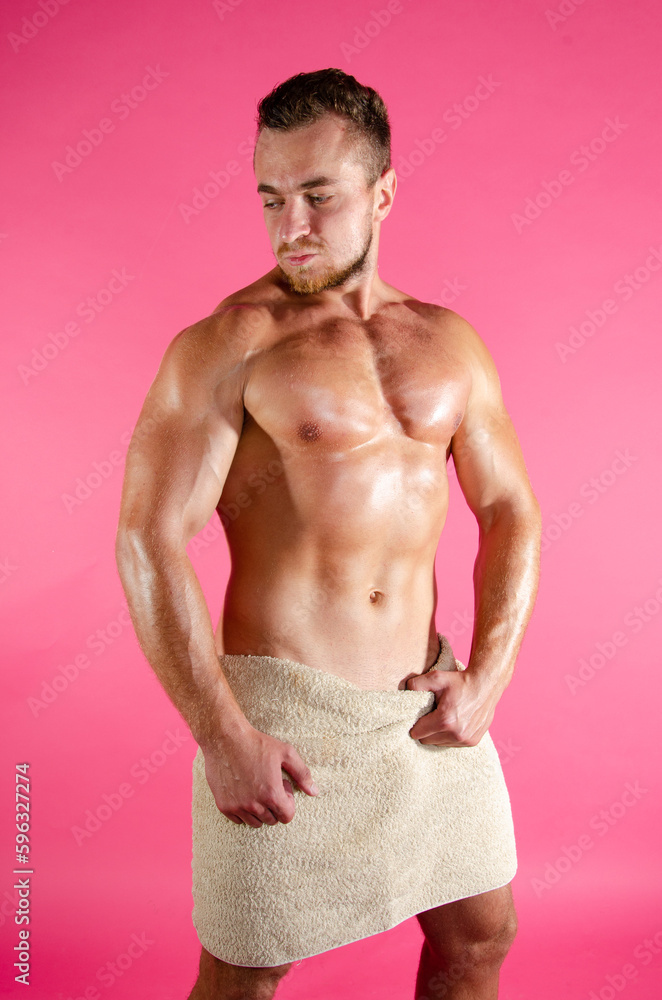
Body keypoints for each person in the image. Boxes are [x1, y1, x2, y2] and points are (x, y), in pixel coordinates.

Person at [115, 67, 541, 1000]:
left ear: (383, 193)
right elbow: (147, 537)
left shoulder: (449, 342)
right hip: (286, 716)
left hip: (422, 717)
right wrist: (221, 733)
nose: (289, 225)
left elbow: (511, 510)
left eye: (318, 196)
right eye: (271, 198)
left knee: (480, 939)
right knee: (244, 977)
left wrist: (487, 680)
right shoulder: (229, 344)